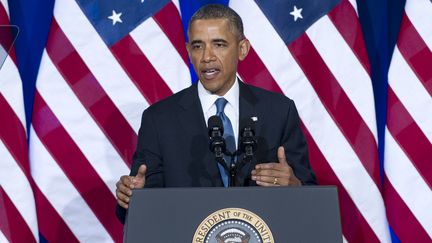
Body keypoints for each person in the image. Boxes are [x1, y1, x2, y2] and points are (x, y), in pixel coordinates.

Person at [115, 4, 316, 223]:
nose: (207, 57)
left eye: (218, 44)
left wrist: (294, 185)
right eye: (197, 46)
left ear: (242, 49)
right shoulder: (159, 119)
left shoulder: (278, 110)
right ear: (188, 50)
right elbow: (138, 211)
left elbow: (309, 195)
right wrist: (135, 197)